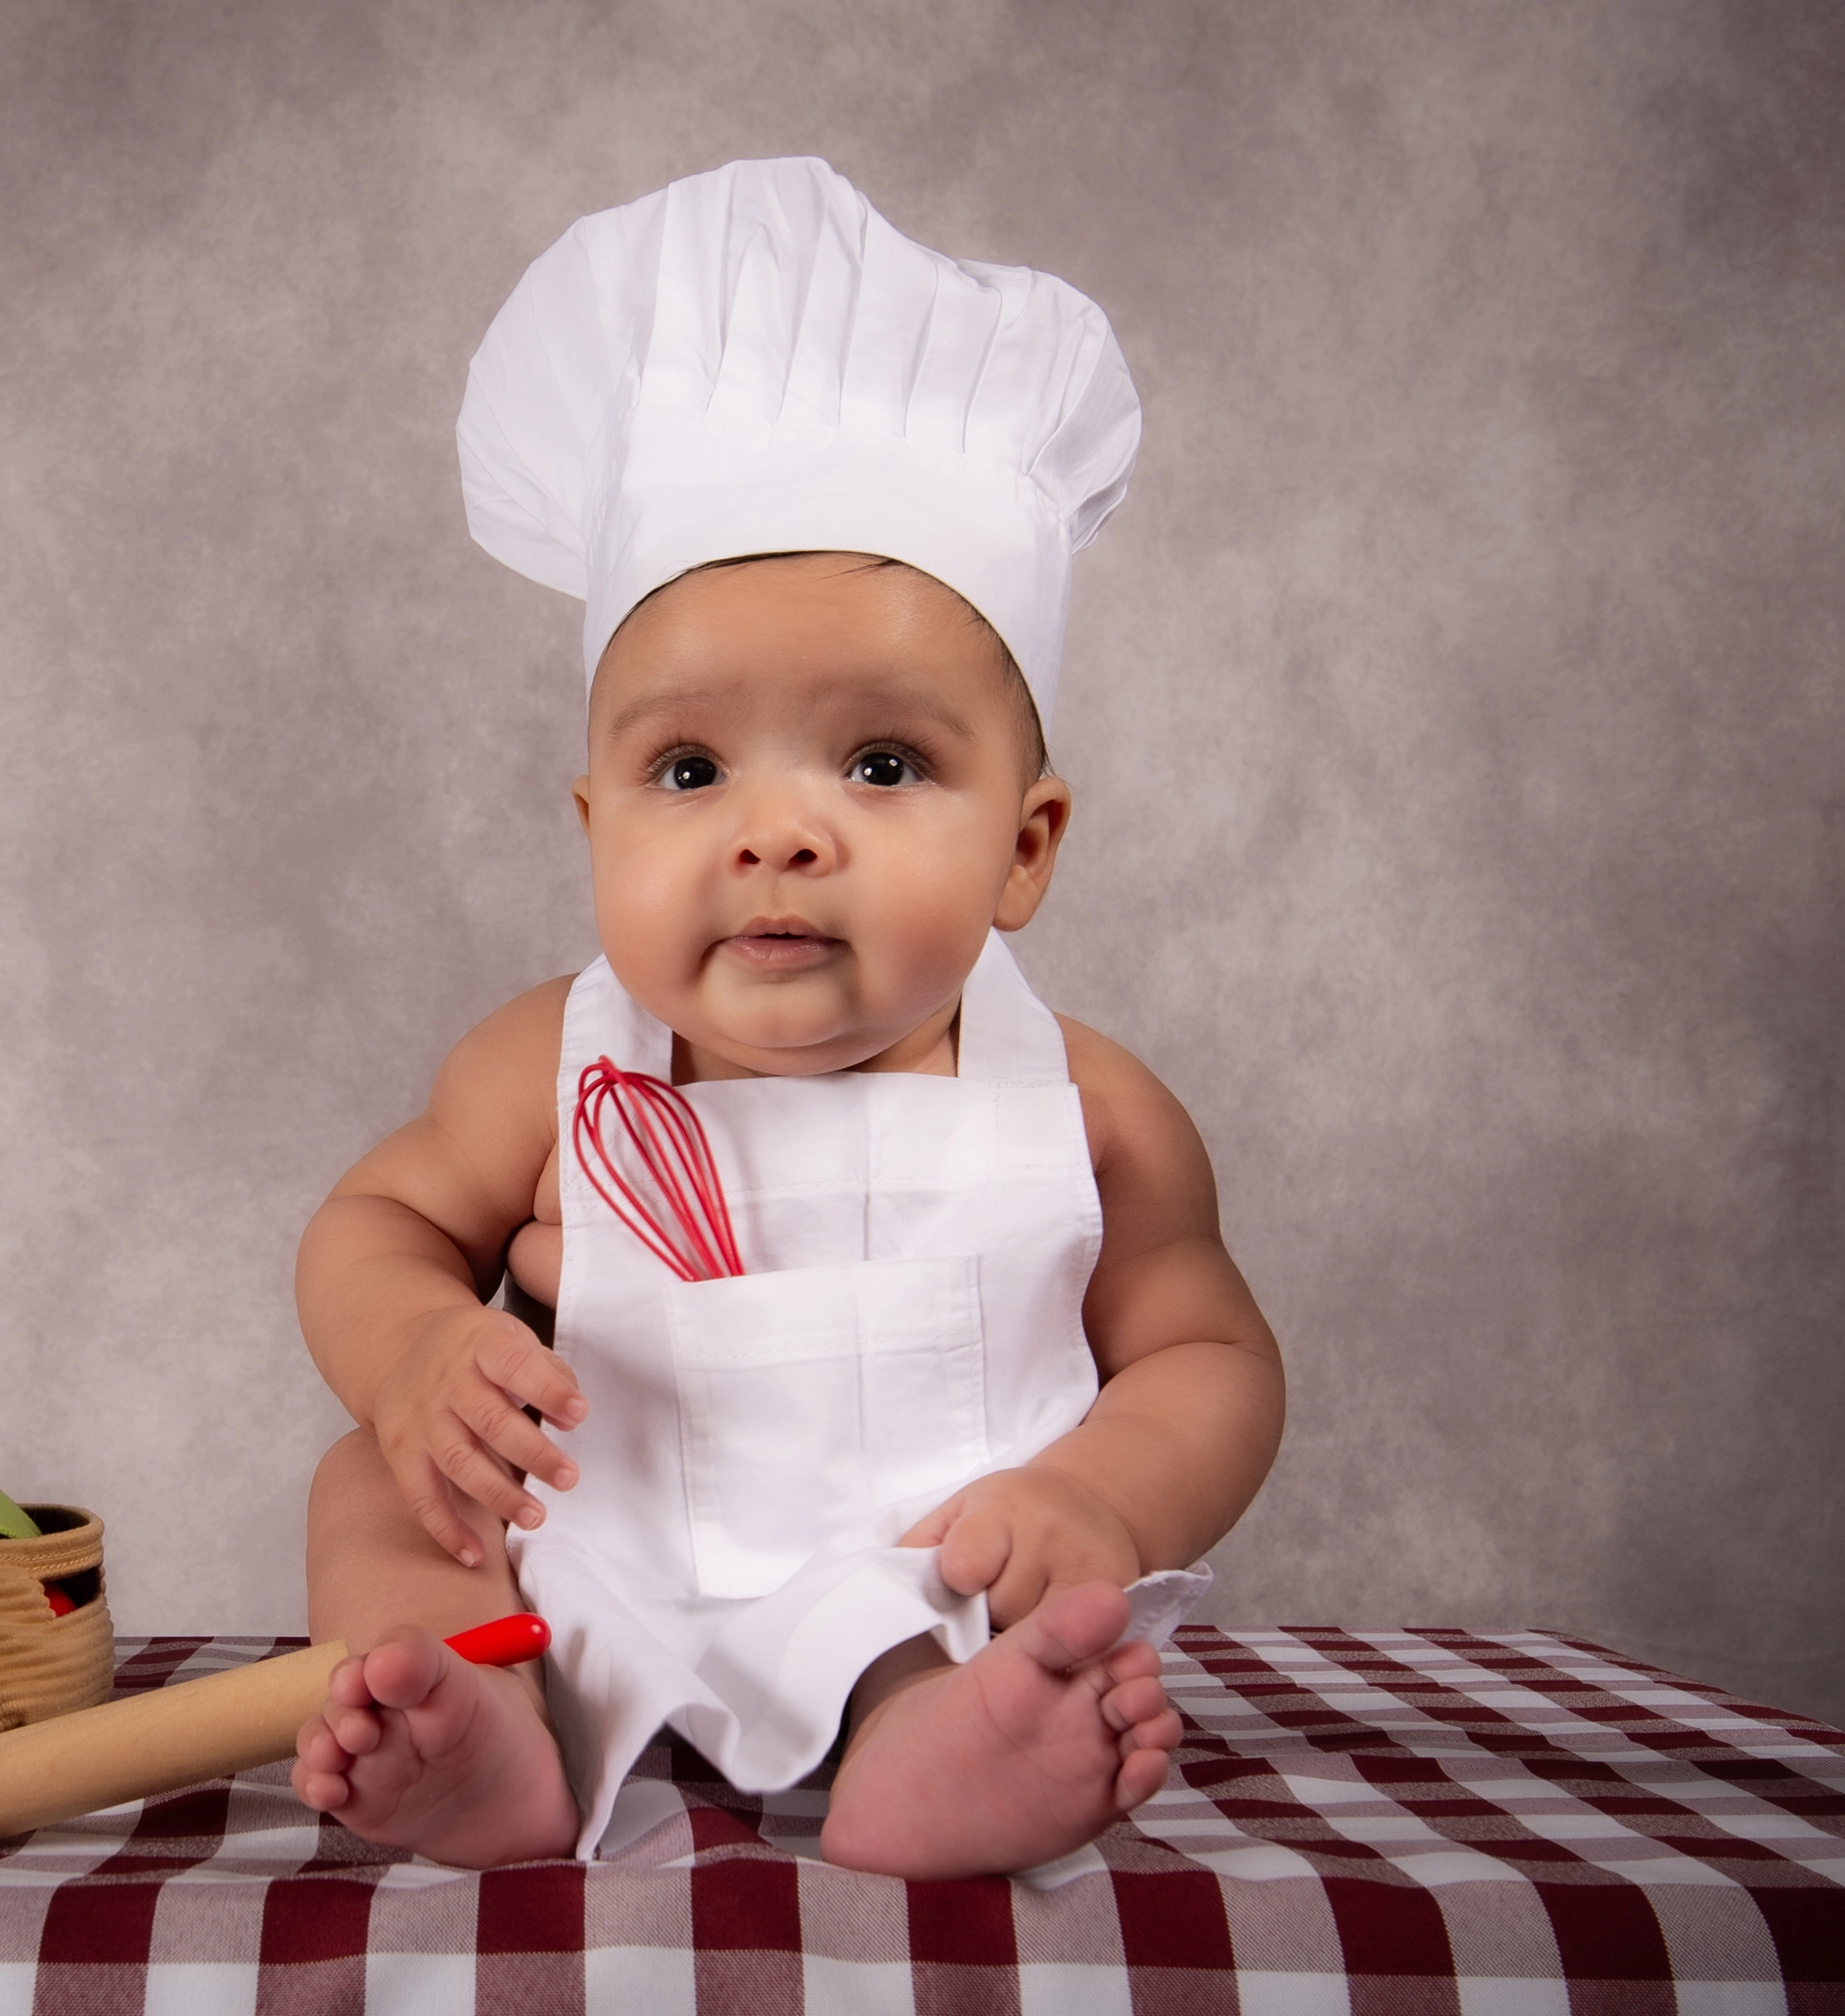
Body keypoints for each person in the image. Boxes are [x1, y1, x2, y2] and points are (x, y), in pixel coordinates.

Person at [290, 159, 1283, 1876]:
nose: (777, 828)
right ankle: (479, 1725)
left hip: (922, 1569)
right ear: (596, 827)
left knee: (977, 1626)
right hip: (584, 1560)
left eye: (883, 763)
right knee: (369, 1486)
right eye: (689, 768)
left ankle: (936, 1752)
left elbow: (1212, 1357)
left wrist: (1100, 1494)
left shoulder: (1090, 1111)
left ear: (1025, 847)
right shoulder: (549, 1064)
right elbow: (373, 1223)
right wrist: (415, 1354)